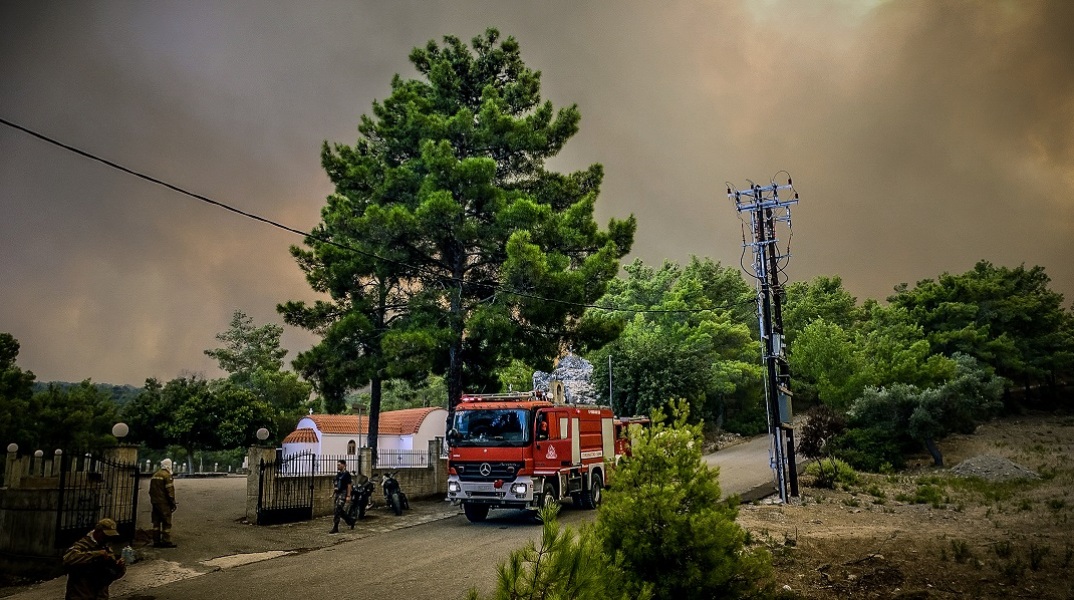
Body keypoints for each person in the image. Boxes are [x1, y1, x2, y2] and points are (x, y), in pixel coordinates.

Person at [63, 517, 126, 600]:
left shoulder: (106, 548)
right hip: (81, 595)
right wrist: (96, 554)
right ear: (98, 532)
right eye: (106, 535)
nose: (107, 538)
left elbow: (111, 576)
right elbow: (68, 559)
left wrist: (119, 567)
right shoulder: (82, 545)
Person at [149, 458, 178, 548]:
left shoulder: (155, 475)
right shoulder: (167, 475)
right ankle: (166, 541)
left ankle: (156, 541)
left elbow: (151, 490)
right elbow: (170, 491)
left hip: (155, 502)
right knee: (166, 521)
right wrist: (173, 502)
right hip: (164, 502)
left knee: (156, 522)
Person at [330, 459, 355, 533]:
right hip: (338, 493)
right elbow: (336, 484)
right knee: (338, 510)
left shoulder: (346, 474)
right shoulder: (338, 474)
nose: (338, 466)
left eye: (339, 465)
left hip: (343, 493)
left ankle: (335, 527)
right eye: (337, 465)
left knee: (338, 509)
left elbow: (349, 485)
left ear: (344, 465)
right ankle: (350, 520)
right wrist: (333, 493)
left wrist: (348, 495)